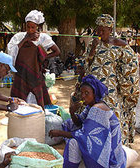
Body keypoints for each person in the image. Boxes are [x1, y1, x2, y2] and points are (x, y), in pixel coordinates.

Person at [83, 14, 139, 145]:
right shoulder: (93, 43)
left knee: (111, 117)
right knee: (92, 115)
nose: (100, 33)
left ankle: (114, 147)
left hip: (110, 90)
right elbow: (86, 65)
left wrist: (124, 83)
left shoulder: (121, 46)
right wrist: (93, 50)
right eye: (98, 30)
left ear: (110, 29)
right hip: (92, 89)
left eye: (103, 30)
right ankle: (93, 146)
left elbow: (131, 65)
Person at [49, 75, 126, 168]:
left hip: (110, 156)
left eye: (87, 93)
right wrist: (72, 112)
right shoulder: (91, 106)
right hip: (107, 147)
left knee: (73, 143)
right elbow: (79, 123)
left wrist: (60, 133)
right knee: (69, 124)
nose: (83, 96)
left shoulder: (98, 109)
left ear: (95, 94)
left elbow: (86, 135)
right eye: (82, 93)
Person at [7, 10, 60, 109]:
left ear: (38, 27)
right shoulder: (18, 37)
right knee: (19, 104)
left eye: (33, 27)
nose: (30, 30)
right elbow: (11, 54)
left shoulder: (43, 38)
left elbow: (57, 51)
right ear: (25, 26)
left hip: (35, 76)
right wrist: (25, 40)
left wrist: (43, 58)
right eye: (28, 27)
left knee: (36, 106)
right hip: (21, 75)